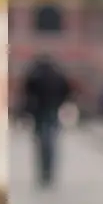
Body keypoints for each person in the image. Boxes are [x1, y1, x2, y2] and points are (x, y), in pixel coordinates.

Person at [23, 55, 71, 188]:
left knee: (40, 145)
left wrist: (27, 111)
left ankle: (42, 173)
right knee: (52, 144)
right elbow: (67, 91)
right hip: (52, 112)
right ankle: (49, 173)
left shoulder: (34, 75)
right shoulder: (57, 75)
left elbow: (26, 93)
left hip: (38, 113)